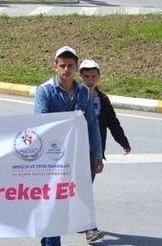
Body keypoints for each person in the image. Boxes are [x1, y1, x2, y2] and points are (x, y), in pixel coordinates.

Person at [35, 46, 103, 246]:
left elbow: (92, 124)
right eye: (62, 65)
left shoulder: (83, 92)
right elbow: (40, 124)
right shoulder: (45, 90)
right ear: (55, 66)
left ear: (76, 67)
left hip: (77, 156)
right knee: (53, 202)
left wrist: (97, 154)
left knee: (70, 199)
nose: (66, 69)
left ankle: (52, 238)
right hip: (51, 158)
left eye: (70, 66)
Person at [79, 59, 130, 244]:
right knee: (81, 189)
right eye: (86, 77)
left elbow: (112, 122)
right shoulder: (75, 96)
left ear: (99, 77)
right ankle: (88, 228)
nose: (90, 80)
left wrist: (123, 142)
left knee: (85, 188)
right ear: (80, 77)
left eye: (94, 76)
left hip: (94, 151)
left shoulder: (102, 99)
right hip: (74, 150)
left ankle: (83, 224)